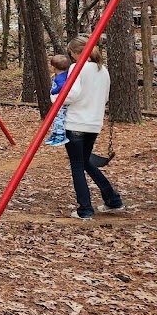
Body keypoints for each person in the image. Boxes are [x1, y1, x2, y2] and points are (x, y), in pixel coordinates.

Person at [61, 35, 123, 220]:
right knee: (85, 161)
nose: (71, 57)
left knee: (78, 165)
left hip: (75, 122)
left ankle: (85, 209)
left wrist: (55, 98)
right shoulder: (102, 70)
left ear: (77, 52)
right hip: (94, 123)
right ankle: (113, 199)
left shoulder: (77, 68)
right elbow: (104, 97)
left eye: (72, 53)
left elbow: (71, 95)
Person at [44, 54, 71, 146]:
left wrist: (53, 91)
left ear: (54, 67)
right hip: (59, 102)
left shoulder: (60, 78)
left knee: (59, 118)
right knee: (56, 118)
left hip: (61, 102)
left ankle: (60, 135)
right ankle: (55, 134)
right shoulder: (64, 75)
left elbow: (63, 86)